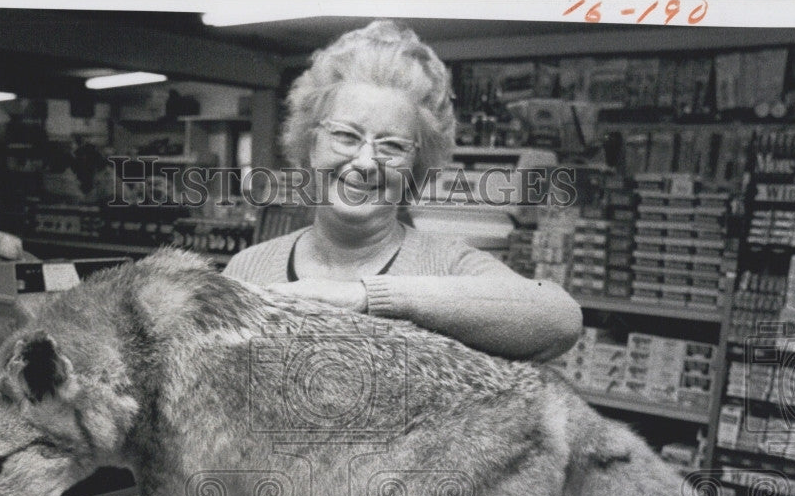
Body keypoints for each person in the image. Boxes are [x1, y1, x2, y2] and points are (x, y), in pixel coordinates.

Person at [224, 19, 582, 361]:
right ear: (310, 142)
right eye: (346, 136)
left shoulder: (445, 264)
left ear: (417, 165)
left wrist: (366, 297)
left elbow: (560, 318)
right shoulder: (249, 269)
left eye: (391, 146)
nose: (365, 162)